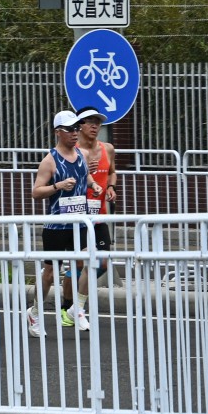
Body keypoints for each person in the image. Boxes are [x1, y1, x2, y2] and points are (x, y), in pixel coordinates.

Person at [28, 110, 103, 337]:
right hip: (56, 226)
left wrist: (94, 185)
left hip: (79, 222)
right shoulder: (49, 160)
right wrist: (57, 186)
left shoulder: (80, 155)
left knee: (90, 261)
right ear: (58, 132)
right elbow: (35, 192)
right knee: (50, 273)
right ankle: (35, 313)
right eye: (70, 129)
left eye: (76, 128)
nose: (75, 133)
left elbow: (85, 176)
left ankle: (77, 309)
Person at [75, 105, 118, 282]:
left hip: (99, 214)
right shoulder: (73, 151)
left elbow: (112, 172)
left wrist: (111, 187)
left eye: (98, 122)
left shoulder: (108, 149)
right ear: (79, 125)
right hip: (77, 214)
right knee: (80, 263)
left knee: (103, 263)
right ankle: (71, 302)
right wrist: (82, 172)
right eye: (90, 122)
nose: (95, 126)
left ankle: (75, 298)